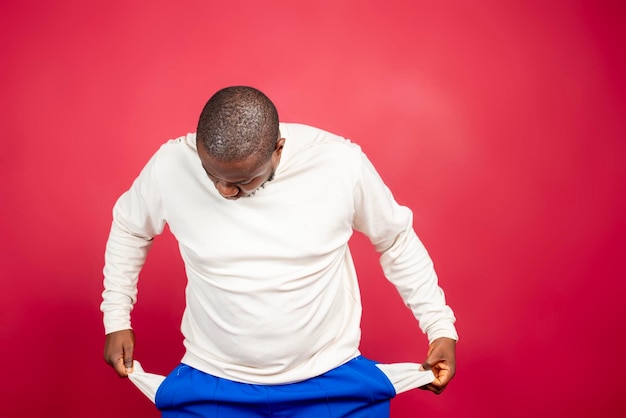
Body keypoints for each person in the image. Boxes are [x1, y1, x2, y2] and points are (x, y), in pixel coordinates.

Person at [102, 86, 458, 417]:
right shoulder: (172, 163)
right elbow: (130, 228)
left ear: (278, 149)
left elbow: (395, 239)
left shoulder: (338, 163)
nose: (225, 192)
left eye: (243, 182)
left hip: (329, 377)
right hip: (213, 379)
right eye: (213, 177)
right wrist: (116, 318)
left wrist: (439, 326)